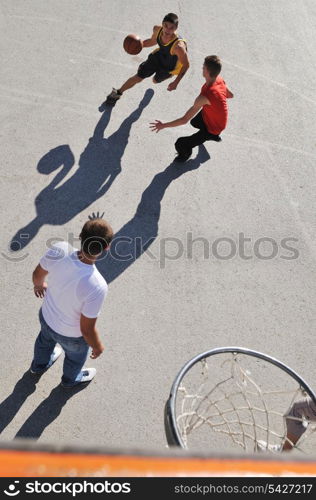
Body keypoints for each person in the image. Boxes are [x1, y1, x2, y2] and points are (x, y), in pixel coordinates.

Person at [30, 214, 113, 388]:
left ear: (80, 236)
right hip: (72, 336)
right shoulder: (97, 285)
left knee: (44, 343)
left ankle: (38, 366)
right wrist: (97, 347)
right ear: (106, 247)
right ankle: (69, 381)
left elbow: (38, 275)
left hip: (46, 318)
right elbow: (86, 329)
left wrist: (39, 286)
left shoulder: (60, 249)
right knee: (75, 360)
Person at [150, 55, 234, 162]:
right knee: (195, 122)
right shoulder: (219, 80)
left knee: (180, 143)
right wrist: (217, 103)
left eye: (203, 67)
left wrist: (163, 125)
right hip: (215, 119)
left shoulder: (204, 97)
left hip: (213, 129)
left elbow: (184, 120)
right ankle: (211, 135)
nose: (202, 68)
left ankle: (186, 154)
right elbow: (230, 95)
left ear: (207, 71)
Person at [103, 13, 189, 107]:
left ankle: (167, 76)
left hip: (169, 66)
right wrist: (138, 46)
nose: (167, 30)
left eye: (171, 28)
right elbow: (153, 41)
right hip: (157, 57)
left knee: (155, 81)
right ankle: (118, 93)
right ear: (162, 23)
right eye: (165, 25)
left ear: (176, 28)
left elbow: (186, 65)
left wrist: (176, 82)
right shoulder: (157, 30)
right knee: (138, 77)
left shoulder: (179, 47)